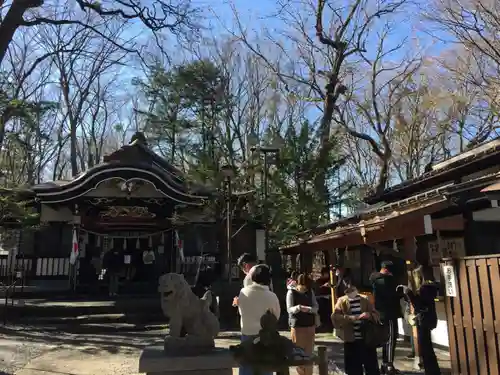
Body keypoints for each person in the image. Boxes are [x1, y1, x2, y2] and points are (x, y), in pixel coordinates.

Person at [238, 264, 281, 375]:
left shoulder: (243, 292)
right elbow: (276, 316)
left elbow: (240, 312)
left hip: (246, 335)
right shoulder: (271, 296)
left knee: (246, 367)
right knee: (265, 368)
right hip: (264, 338)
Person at [398, 266, 441, 375]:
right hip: (428, 319)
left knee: (426, 349)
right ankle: (432, 370)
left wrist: (409, 293)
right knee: (427, 348)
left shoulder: (424, 289)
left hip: (424, 320)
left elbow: (419, 305)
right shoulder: (429, 288)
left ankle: (432, 371)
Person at [332, 284, 380, 375]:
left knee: (372, 368)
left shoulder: (365, 299)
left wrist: (369, 315)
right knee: (353, 370)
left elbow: (376, 315)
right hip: (351, 340)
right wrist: (350, 318)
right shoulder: (341, 300)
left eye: (352, 289)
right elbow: (335, 317)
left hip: (367, 339)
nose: (350, 291)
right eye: (348, 290)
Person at [369, 260, 402, 375]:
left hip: (379, 313)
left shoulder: (373, 279)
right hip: (389, 312)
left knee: (384, 339)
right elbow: (396, 294)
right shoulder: (386, 281)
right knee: (390, 339)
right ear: (387, 270)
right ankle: (388, 364)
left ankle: (385, 364)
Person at [286, 274, 318, 375]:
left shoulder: (310, 292)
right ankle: (300, 373)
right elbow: (289, 309)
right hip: (297, 326)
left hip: (310, 325)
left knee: (308, 354)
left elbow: (316, 307)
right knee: (298, 354)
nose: (305, 288)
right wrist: (298, 308)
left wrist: (309, 309)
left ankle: (308, 373)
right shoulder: (291, 292)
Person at [315, 266, 333, 331]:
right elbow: (317, 291)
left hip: (329, 300)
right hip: (320, 300)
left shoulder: (331, 280)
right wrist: (323, 286)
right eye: (327, 273)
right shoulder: (318, 281)